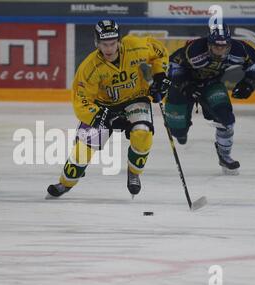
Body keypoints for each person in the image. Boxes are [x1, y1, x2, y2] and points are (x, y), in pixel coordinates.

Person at [47, 20, 170, 198]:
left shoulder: (135, 46)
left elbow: (160, 52)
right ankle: (65, 183)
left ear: (119, 41)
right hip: (103, 107)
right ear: (97, 42)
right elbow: (81, 101)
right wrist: (107, 118)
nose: (109, 49)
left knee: (142, 133)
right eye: (104, 44)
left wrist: (160, 75)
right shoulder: (89, 67)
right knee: (83, 151)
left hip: (135, 98)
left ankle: (134, 173)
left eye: (112, 43)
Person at [164, 23, 255, 174]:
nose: (220, 50)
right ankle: (181, 132)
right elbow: (172, 64)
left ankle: (225, 156)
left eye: (224, 47)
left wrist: (249, 83)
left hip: (211, 84)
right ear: (209, 43)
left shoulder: (240, 49)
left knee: (227, 120)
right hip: (182, 87)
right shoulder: (195, 50)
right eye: (216, 46)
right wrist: (185, 85)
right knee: (177, 131)